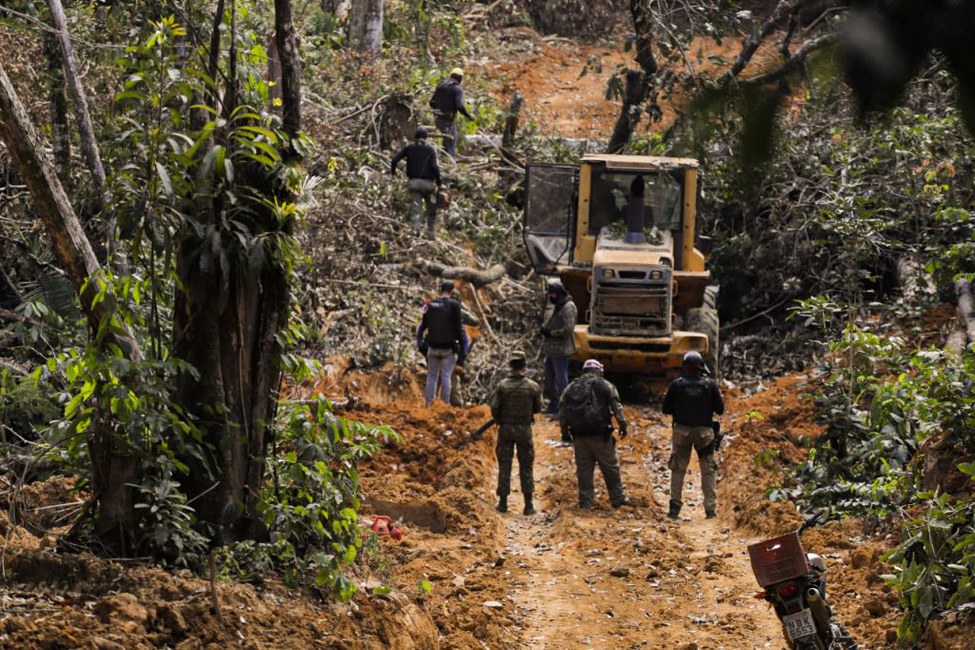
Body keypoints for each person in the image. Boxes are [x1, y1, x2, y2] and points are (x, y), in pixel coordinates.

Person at [559, 359, 632, 510]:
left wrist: (565, 432)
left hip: (579, 436)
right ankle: (617, 498)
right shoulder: (605, 385)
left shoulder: (571, 387)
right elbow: (616, 407)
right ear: (598, 371)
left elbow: (563, 411)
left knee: (584, 470)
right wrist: (623, 425)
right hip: (600, 435)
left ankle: (585, 502)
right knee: (610, 467)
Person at [662, 350, 725, 520]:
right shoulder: (710, 384)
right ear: (700, 367)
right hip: (705, 434)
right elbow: (720, 409)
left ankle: (674, 508)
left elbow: (665, 409)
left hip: (681, 432)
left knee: (678, 469)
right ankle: (710, 510)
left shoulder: (677, 384)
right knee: (708, 471)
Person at [490, 350, 543, 515]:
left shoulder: (502, 386)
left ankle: (503, 503)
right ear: (524, 366)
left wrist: (500, 419)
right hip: (524, 429)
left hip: (506, 429)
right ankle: (528, 505)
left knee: (504, 465)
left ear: (510, 366)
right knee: (526, 465)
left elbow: (494, 408)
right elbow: (538, 408)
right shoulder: (533, 386)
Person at [416, 280, 467, 406]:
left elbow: (422, 326)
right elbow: (458, 328)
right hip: (448, 349)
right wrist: (462, 352)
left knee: (431, 376)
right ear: (451, 291)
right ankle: (444, 405)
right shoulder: (454, 305)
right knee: (446, 376)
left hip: (432, 348)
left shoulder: (430, 304)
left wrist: (421, 344)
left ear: (441, 289)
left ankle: (429, 404)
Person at [391, 127, 442, 239]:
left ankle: (415, 231)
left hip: (413, 183)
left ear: (415, 137)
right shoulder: (430, 149)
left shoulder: (409, 147)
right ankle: (431, 233)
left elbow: (394, 160)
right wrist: (439, 183)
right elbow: (434, 167)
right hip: (428, 184)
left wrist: (393, 172)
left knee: (416, 208)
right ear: (426, 137)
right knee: (431, 208)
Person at [540, 280, 577, 421]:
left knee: (561, 379)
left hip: (561, 350)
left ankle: (563, 408)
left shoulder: (568, 307)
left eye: (552, 294)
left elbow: (568, 330)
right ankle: (553, 405)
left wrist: (551, 333)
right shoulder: (555, 305)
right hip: (550, 350)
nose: (550, 297)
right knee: (549, 379)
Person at [429, 67, 474, 158]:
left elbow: (431, 103)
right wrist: (468, 116)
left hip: (438, 119)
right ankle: (449, 164)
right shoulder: (457, 89)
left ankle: (441, 161)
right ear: (460, 78)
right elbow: (459, 105)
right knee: (450, 143)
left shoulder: (441, 86)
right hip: (448, 121)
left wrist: (439, 109)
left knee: (442, 142)